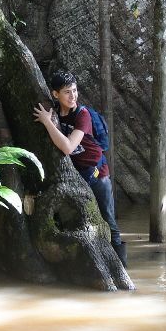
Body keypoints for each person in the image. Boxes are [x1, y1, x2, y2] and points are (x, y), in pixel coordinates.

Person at [33, 70, 126, 266]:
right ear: (55, 94)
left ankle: (120, 265)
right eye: (67, 92)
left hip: (97, 174)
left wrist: (47, 123)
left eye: (75, 91)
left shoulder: (82, 115)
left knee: (108, 219)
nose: (73, 96)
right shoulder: (56, 113)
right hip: (74, 175)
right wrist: (50, 120)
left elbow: (67, 147)